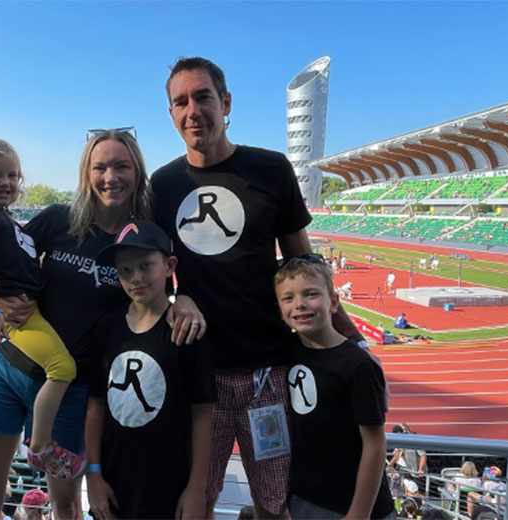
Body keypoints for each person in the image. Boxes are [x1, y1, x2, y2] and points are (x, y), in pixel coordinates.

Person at [151, 56, 364, 519]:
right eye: (180, 102)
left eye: (203, 97)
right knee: (195, 501)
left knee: (274, 503)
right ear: (171, 115)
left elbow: (301, 263)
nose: (193, 111)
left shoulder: (271, 169)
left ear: (225, 103)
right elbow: (149, 273)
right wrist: (176, 295)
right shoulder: (162, 185)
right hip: (199, 377)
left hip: (268, 375)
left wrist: (340, 327)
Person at [0, 130, 200, 520]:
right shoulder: (57, 219)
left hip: (71, 390)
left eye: (121, 166)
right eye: (100, 167)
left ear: (137, 173)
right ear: (86, 173)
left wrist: (182, 297)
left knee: (65, 505)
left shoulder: (143, 237)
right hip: (6, 368)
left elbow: (165, 281)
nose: (110, 176)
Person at [0, 137, 83, 480]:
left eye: (13, 175)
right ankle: (40, 445)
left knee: (59, 364)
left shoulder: (5, 218)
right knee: (63, 366)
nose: (6, 182)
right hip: (19, 317)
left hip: (31, 309)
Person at [85, 221, 215, 519]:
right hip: (115, 484)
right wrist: (94, 475)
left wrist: (197, 488)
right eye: (125, 270)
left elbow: (202, 413)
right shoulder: (107, 328)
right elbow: (96, 404)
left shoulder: (186, 331)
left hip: (169, 483)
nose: (136, 278)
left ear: (170, 266)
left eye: (146, 265)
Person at [274, 257, 393, 519]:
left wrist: (359, 513)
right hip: (305, 498)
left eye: (311, 294)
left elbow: (374, 444)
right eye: (288, 298)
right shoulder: (288, 351)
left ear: (334, 302)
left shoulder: (357, 365)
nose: (300, 304)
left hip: (353, 506)